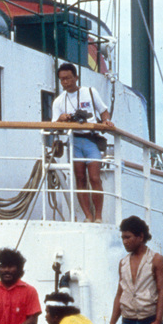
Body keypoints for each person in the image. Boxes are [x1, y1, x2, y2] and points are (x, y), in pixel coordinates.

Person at [52, 62, 112, 223]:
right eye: (62, 79)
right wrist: (60, 119)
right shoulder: (58, 101)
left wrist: (106, 121)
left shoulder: (90, 92)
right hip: (74, 142)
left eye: (68, 78)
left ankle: (98, 216)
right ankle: (88, 216)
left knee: (94, 178)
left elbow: (104, 112)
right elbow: (53, 126)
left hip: (91, 140)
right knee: (80, 178)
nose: (65, 82)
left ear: (76, 77)